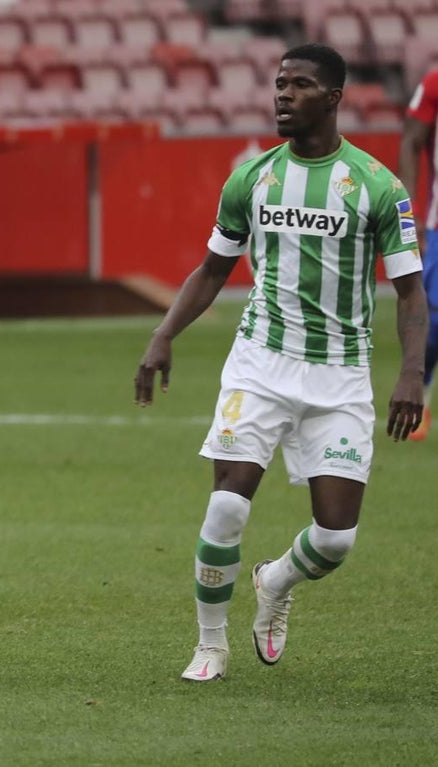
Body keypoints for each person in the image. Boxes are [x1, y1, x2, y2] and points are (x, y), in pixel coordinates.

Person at [134, 43, 427, 683]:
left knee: (335, 540)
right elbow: (214, 268)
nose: (283, 95)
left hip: (340, 375)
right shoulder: (253, 178)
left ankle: (275, 582)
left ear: (333, 97)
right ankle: (210, 645)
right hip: (261, 362)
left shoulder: (378, 187)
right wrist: (164, 334)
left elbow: (409, 291)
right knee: (227, 506)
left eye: (299, 85)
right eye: (279, 84)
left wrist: (411, 371)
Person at [398, 65, 438, 440]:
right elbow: (412, 141)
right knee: (434, 322)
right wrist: (407, 211)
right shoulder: (434, 81)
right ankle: (421, 393)